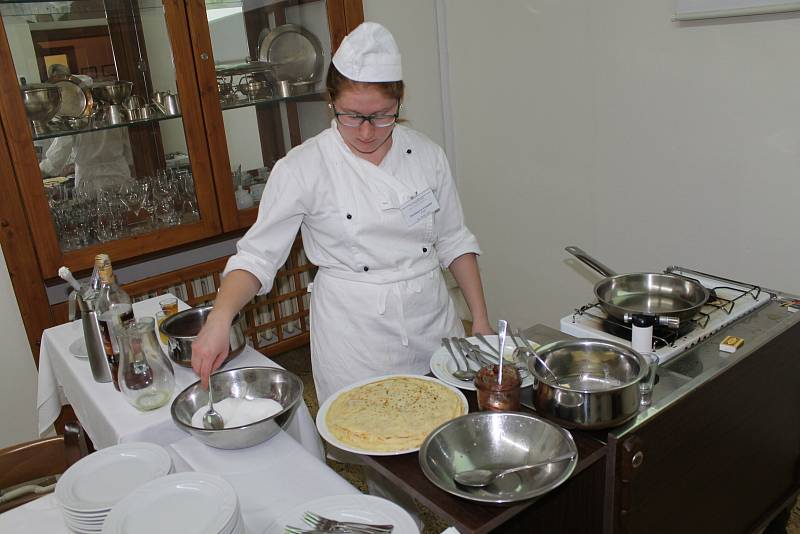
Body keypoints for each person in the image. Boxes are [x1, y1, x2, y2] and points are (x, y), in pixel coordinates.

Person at [191, 22, 492, 401]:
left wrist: (479, 319)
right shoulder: (303, 166)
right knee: (372, 437)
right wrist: (220, 318)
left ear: (400, 101)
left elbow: (453, 238)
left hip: (431, 321)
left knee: (446, 418)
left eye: (382, 116)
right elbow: (257, 257)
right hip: (356, 337)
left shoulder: (427, 155)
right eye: (351, 116)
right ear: (330, 101)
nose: (366, 132)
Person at [38, 73, 134, 191]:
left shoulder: (72, 120)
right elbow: (130, 152)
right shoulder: (114, 113)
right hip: (119, 176)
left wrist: (35, 173)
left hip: (89, 183)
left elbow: (55, 161)